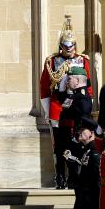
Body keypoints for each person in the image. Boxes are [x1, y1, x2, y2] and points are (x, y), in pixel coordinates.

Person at [40, 15, 93, 189]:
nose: (69, 49)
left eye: (71, 46)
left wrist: (86, 107)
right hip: (58, 105)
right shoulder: (52, 61)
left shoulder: (82, 60)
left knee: (77, 141)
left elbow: (89, 87)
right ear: (61, 46)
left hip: (77, 106)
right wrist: (48, 111)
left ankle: (75, 177)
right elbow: (44, 88)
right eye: (66, 46)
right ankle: (60, 176)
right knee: (59, 145)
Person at [58, 66, 94, 209]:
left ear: (78, 80)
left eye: (70, 78)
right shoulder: (74, 96)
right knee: (77, 185)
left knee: (81, 186)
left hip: (79, 146)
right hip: (72, 145)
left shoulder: (83, 98)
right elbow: (62, 104)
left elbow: (80, 115)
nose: (68, 81)